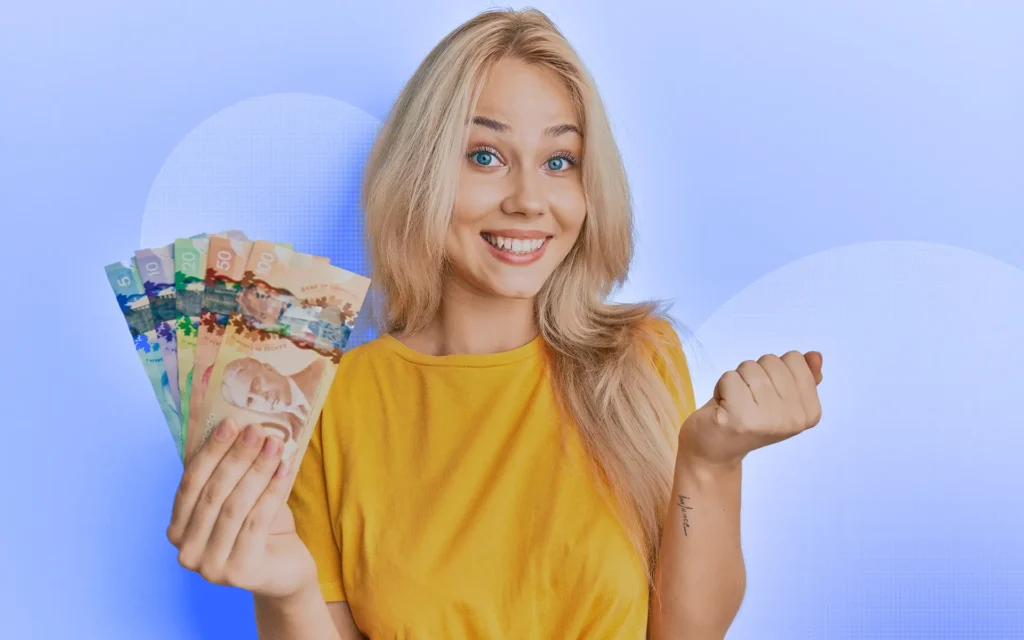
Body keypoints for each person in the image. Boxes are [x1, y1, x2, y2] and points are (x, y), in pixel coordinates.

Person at [165, 8, 824, 639]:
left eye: (559, 161)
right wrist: (287, 589)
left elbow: (687, 634)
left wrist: (711, 462)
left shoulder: (641, 360)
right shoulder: (330, 396)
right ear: (420, 171)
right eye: (485, 156)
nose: (529, 200)